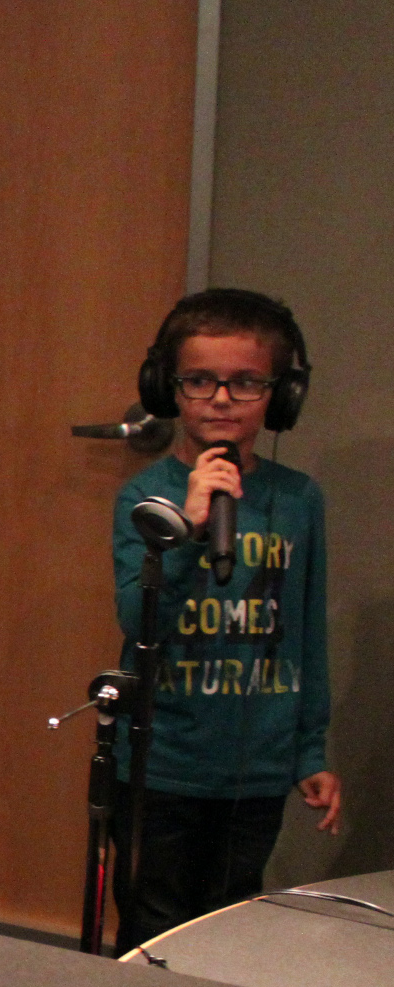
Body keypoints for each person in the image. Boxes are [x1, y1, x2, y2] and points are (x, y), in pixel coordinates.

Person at [110, 288, 341, 952]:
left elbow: (302, 629)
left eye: (244, 383)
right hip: (161, 763)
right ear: (167, 387)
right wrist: (186, 527)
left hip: (255, 762)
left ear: (279, 395)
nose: (219, 399)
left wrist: (308, 749)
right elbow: (136, 614)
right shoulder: (144, 496)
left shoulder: (295, 499)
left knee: (226, 928)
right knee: (154, 925)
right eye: (199, 381)